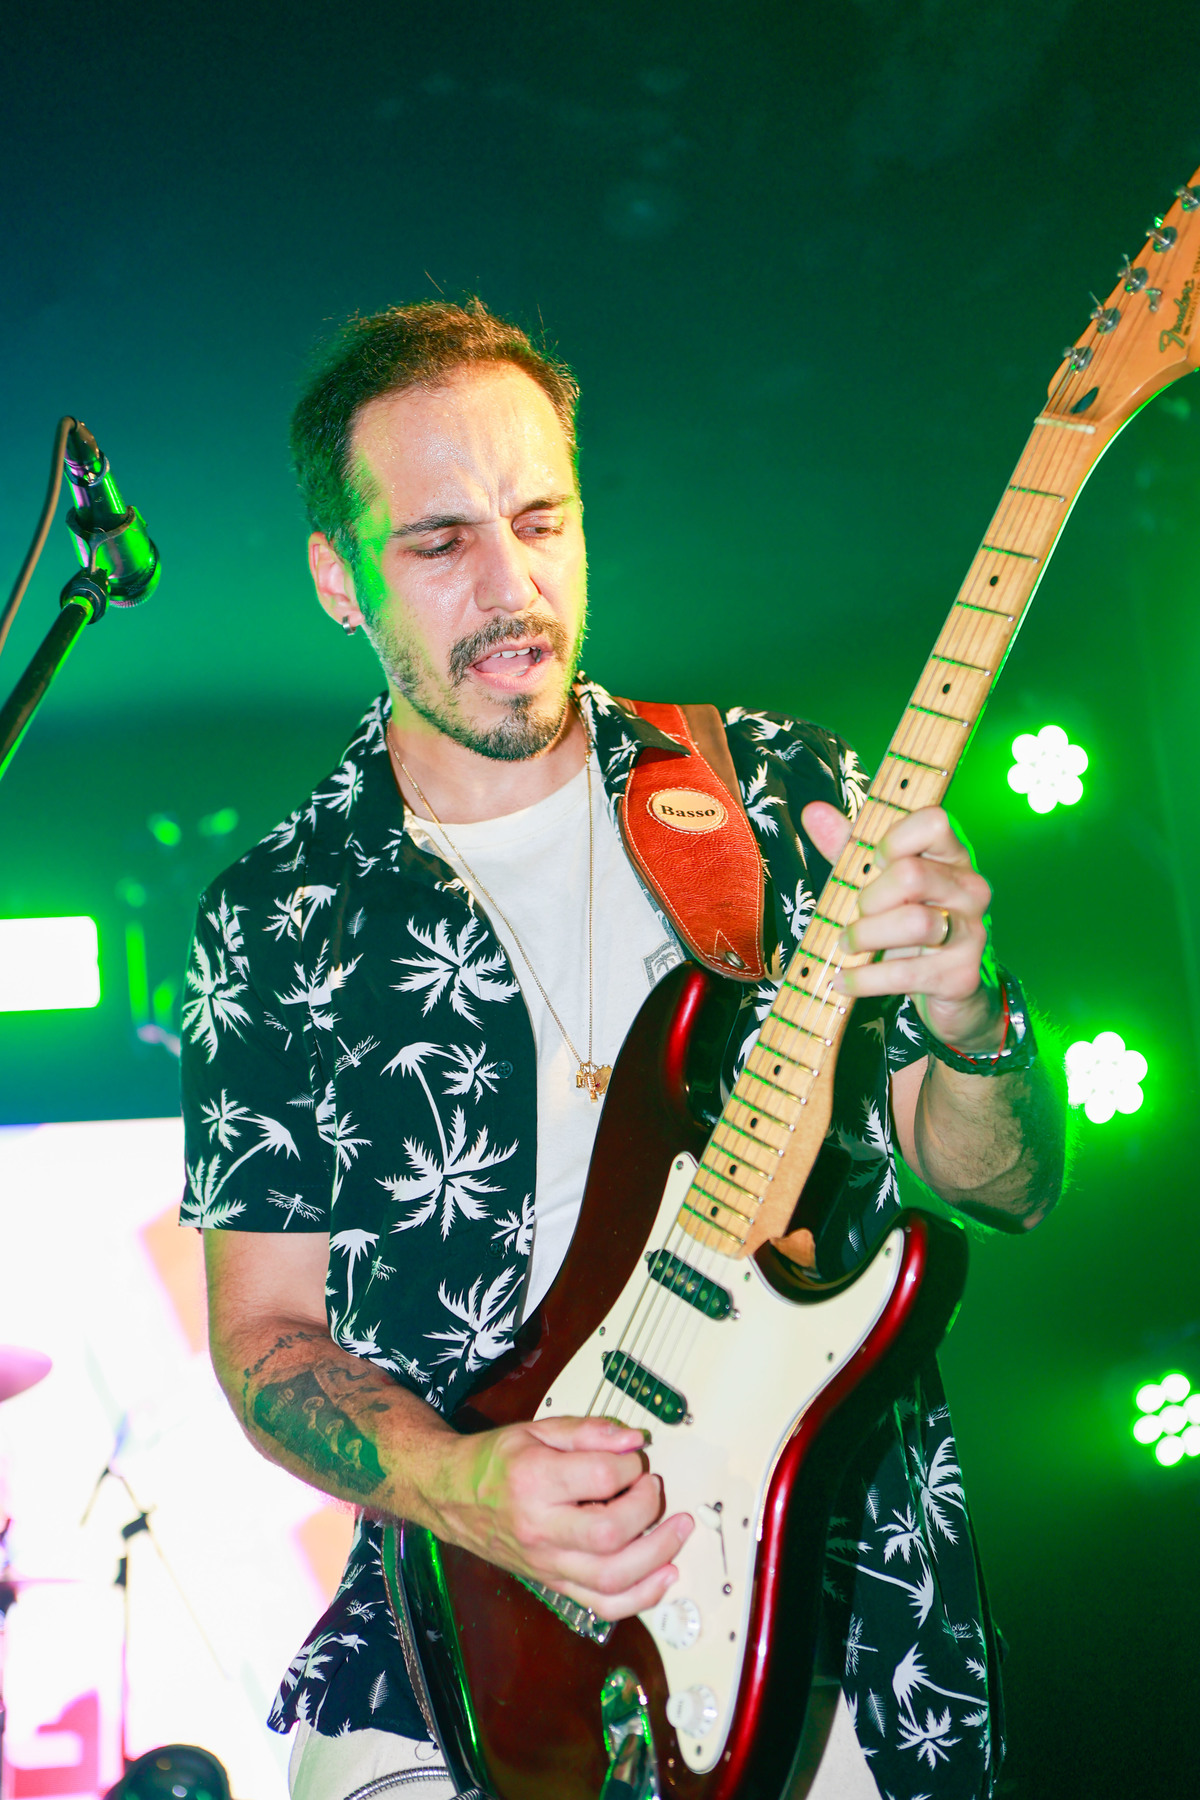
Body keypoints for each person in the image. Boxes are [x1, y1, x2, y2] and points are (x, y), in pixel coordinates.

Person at [181, 301, 1065, 1800]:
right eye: (440, 543)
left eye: (542, 522)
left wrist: (977, 1024)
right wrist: (465, 1482)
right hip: (464, 1637)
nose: (512, 588)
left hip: (828, 1606)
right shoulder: (277, 918)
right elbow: (266, 1339)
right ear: (339, 578)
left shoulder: (778, 791)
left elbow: (1005, 1188)